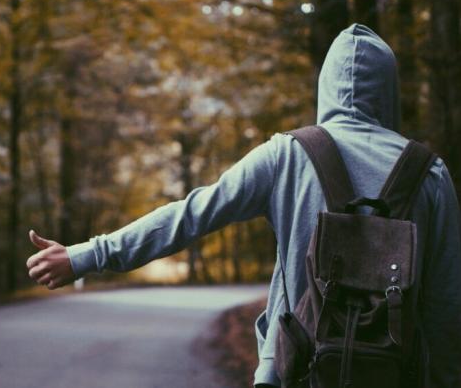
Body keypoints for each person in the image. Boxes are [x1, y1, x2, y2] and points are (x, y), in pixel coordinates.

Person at [25, 23, 461, 387]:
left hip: (295, 372)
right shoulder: (430, 174)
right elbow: (445, 308)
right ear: (390, 90)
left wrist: (86, 255)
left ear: (325, 86)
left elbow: (190, 215)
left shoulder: (288, 155)